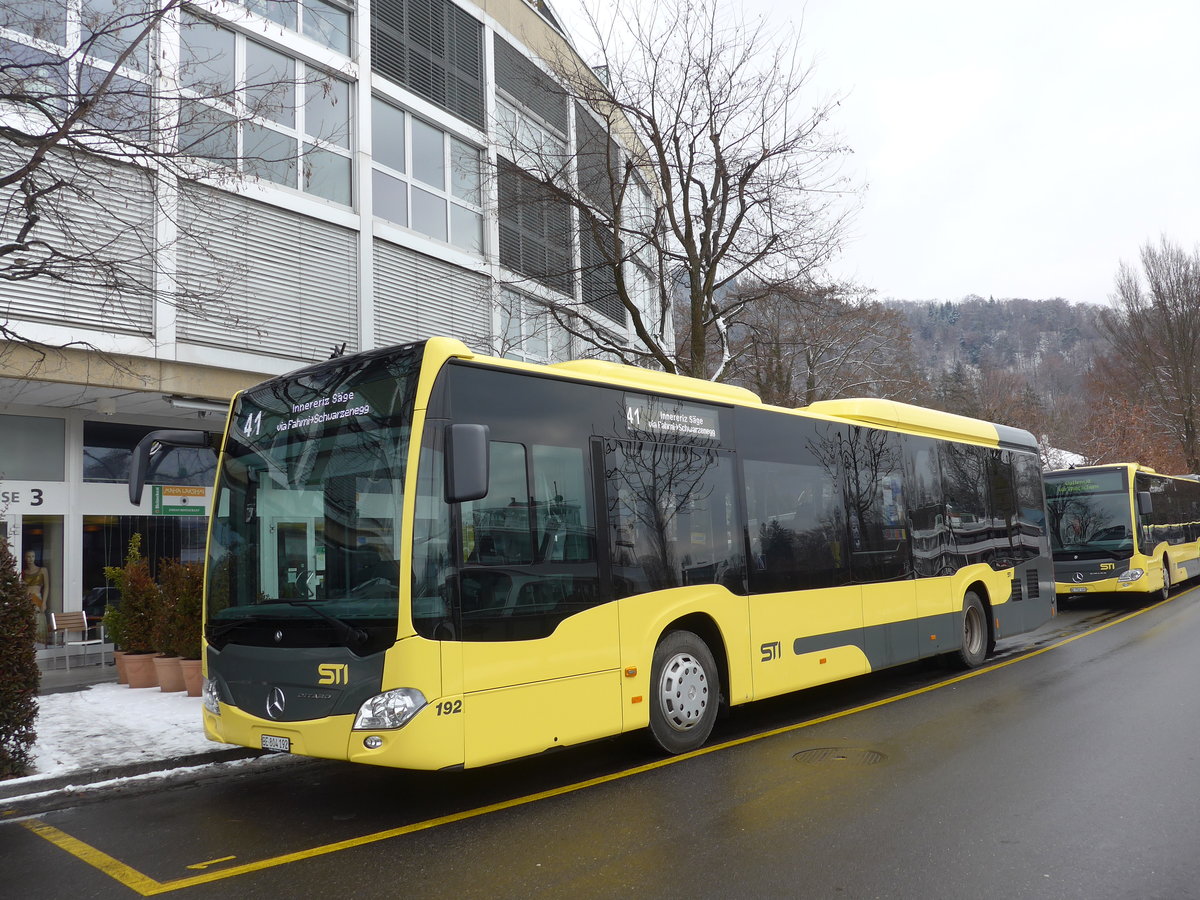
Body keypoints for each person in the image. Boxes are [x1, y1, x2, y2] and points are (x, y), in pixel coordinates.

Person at [22, 550, 50, 644]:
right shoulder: (24, 572)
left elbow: (46, 586)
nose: (30, 559)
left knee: (38, 621)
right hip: (26, 599)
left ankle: (40, 645)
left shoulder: (42, 570)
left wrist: (44, 602)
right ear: (25, 558)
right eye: (28, 557)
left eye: (33, 556)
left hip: (37, 598)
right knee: (27, 622)